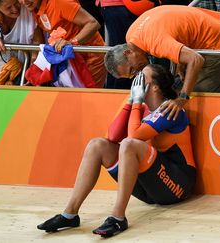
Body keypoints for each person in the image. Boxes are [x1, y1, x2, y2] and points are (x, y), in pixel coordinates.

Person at [37, 64, 196, 237]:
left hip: (177, 185)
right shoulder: (140, 106)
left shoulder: (170, 109)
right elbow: (112, 136)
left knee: (129, 144)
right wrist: (131, 100)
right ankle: (70, 214)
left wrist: (136, 102)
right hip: (151, 188)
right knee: (97, 145)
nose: (137, 81)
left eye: (142, 78)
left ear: (155, 87)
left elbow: (133, 136)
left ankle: (118, 217)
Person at [105, 5, 220, 120]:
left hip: (219, 42)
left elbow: (195, 59)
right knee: (175, 94)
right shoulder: (132, 36)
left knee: (194, 100)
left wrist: (182, 98)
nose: (137, 73)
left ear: (128, 53)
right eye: (131, 76)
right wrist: (180, 61)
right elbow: (174, 30)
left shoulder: (154, 41)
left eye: (132, 70)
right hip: (205, 38)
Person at [19, 0, 108, 88]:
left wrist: (72, 42)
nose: (24, 1)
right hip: (68, 61)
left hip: (90, 57)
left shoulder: (59, 2)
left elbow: (93, 23)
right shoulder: (33, 7)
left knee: (89, 98)